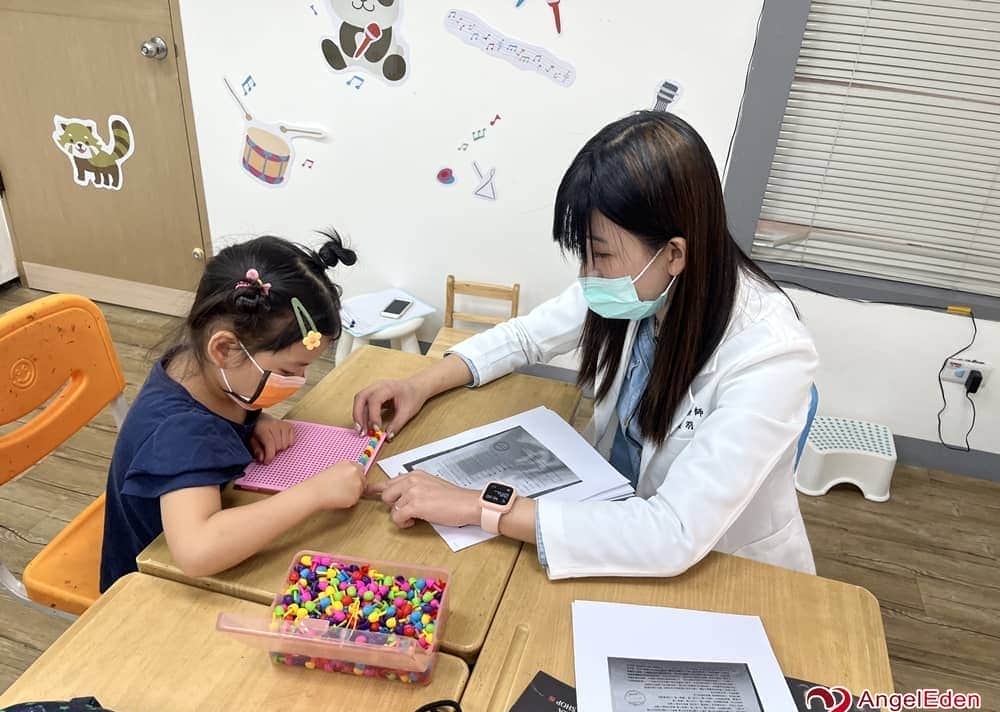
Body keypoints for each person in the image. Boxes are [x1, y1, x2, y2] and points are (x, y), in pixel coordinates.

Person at [356, 111, 819, 579]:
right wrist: (419, 385)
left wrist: (481, 506)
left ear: (674, 253)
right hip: (607, 510)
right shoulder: (641, 287)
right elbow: (524, 337)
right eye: (585, 253)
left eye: (601, 254)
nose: (587, 274)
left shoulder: (769, 352)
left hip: (724, 571)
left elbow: (673, 532)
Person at [99, 231, 366, 590]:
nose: (299, 382)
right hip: (148, 589)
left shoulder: (201, 370)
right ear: (224, 349)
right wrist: (314, 493)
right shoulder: (182, 431)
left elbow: (215, 414)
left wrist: (254, 420)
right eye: (288, 371)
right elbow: (197, 550)